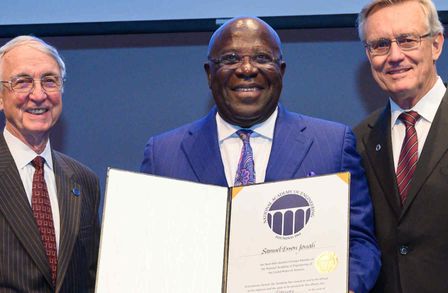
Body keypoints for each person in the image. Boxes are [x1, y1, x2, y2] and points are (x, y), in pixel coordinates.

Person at [140, 16, 380, 293]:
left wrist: (345, 287)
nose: (246, 69)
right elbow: (146, 251)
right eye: (230, 58)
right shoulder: (163, 154)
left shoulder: (333, 144)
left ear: (282, 70)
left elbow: (361, 244)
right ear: (209, 73)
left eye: (262, 58)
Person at [354, 0, 446, 292]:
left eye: (407, 40)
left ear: (436, 45)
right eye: (380, 45)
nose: (394, 56)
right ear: (368, 56)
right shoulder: (358, 140)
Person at [0, 36, 100, 292]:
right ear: (1, 98)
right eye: (22, 82)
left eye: (49, 80)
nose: (38, 95)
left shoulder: (84, 181)